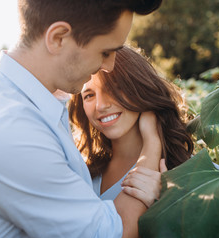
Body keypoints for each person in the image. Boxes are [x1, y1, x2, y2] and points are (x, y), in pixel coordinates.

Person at [0, 0, 165, 238]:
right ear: (58, 38)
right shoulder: (9, 132)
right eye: (105, 52)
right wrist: (151, 147)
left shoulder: (13, 102)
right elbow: (110, 234)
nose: (108, 66)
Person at [69, 46, 194, 200]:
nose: (100, 105)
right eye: (89, 95)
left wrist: (168, 206)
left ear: (140, 87)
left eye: (113, 88)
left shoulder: (190, 170)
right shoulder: (80, 171)